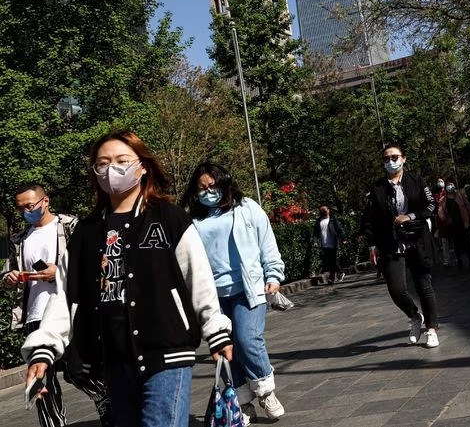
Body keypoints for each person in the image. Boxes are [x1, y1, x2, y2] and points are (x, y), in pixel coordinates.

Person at [22, 130, 233, 427]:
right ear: (95, 172)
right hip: (113, 360)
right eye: (103, 163)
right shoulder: (87, 231)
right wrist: (44, 348)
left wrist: (216, 329)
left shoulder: (168, 218)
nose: (113, 170)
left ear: (142, 165)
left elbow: (197, 278)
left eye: (122, 160)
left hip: (166, 352)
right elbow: (64, 297)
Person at [180, 161, 286, 421]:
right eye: (202, 188)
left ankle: (265, 390)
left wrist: (273, 274)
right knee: (226, 350)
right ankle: (242, 402)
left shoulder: (247, 207)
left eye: (212, 186)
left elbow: (266, 242)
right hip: (213, 295)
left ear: (224, 183)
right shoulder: (192, 219)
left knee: (248, 339)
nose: (208, 191)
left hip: (247, 288)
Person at [3, 183, 112, 427]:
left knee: (78, 371)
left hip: (68, 311)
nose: (25, 212)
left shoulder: (71, 226)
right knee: (41, 381)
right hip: (33, 315)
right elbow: (7, 272)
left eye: (30, 206)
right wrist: (10, 278)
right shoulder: (19, 239)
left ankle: (108, 401)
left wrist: (62, 272)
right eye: (21, 208)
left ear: (45, 201)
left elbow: (97, 262)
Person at [361, 143, 440, 348]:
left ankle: (431, 328)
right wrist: (371, 245)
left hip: (418, 240)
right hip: (392, 244)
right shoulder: (377, 187)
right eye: (386, 158)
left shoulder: (416, 180)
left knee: (424, 285)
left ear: (404, 158)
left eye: (395, 157)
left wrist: (410, 216)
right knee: (397, 289)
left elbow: (431, 205)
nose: (391, 161)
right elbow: (370, 219)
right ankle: (415, 316)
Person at [444, 182, 470, 271]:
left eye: (451, 185)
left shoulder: (460, 196)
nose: (450, 187)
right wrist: (444, 219)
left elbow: (468, 206)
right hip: (453, 225)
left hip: (463, 223)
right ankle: (459, 260)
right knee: (456, 244)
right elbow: (441, 211)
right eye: (448, 185)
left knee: (467, 242)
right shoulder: (444, 199)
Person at [313, 204, 348, 283]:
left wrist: (343, 239)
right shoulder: (318, 221)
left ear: (328, 210)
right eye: (322, 210)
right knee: (330, 261)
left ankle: (334, 276)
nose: (323, 212)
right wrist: (315, 242)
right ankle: (338, 274)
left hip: (333, 242)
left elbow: (339, 229)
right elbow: (316, 233)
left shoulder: (333, 219)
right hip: (323, 244)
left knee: (333, 260)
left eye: (324, 210)